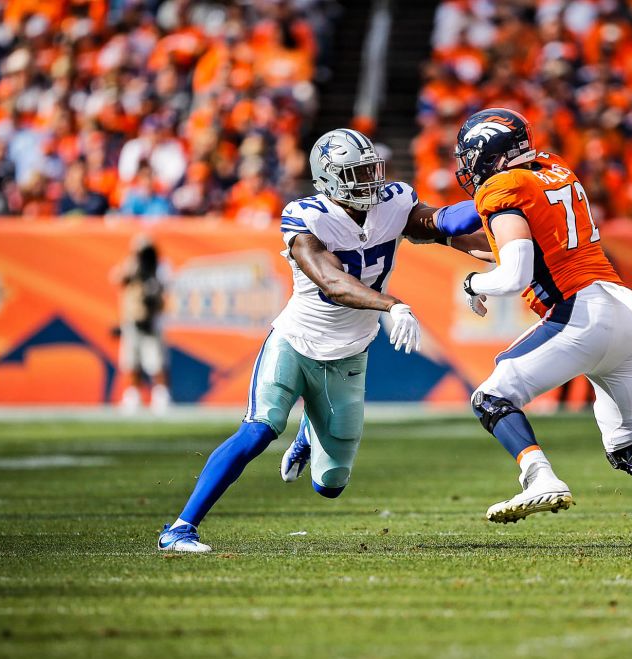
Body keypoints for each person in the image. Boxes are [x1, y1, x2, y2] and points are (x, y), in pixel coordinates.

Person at [158, 128, 484, 552]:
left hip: (349, 353)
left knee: (330, 485)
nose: (369, 180)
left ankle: (308, 431)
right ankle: (180, 528)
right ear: (327, 178)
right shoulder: (305, 216)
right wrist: (393, 305)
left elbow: (446, 224)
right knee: (259, 429)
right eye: (356, 172)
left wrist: (505, 213)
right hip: (296, 340)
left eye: (371, 169)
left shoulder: (394, 203)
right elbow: (333, 283)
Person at [449, 108, 632, 554]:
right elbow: (533, 250)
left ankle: (540, 477)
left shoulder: (500, 186)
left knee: (492, 396)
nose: (468, 167)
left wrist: (472, 284)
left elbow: (516, 274)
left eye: (470, 156)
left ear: (490, 153)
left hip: (583, 313)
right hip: (623, 311)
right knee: (630, 446)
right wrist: (459, 245)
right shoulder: (555, 167)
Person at [112, 235, 171, 414]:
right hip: (132, 319)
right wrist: (133, 267)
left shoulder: (160, 266)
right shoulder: (131, 265)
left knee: (156, 361)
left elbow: (165, 288)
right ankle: (133, 394)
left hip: (152, 321)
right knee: (131, 360)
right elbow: (117, 279)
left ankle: (161, 394)